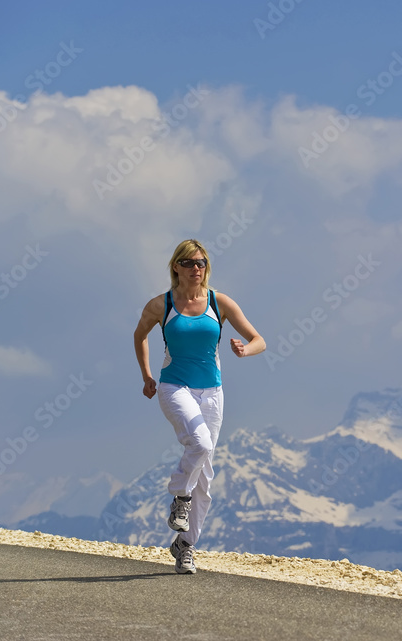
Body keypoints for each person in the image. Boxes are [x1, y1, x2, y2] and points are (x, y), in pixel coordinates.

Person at [133, 239, 266, 574]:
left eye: (202, 262)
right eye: (190, 263)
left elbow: (259, 340)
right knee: (201, 444)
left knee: (205, 475)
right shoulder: (161, 305)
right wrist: (147, 376)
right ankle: (180, 495)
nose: (197, 268)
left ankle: (185, 546)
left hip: (212, 393)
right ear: (176, 266)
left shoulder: (217, 302)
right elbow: (139, 335)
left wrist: (244, 350)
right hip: (174, 386)